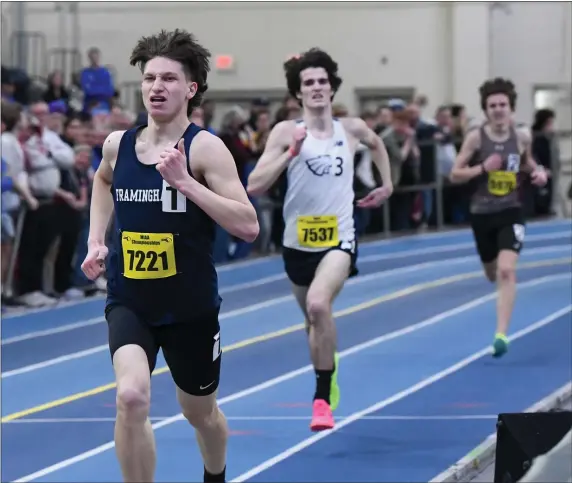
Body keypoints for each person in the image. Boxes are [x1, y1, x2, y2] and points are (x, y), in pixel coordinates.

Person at [81, 29, 259, 483]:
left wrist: (186, 183)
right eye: (149, 78)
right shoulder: (118, 144)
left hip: (189, 307)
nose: (156, 87)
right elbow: (103, 182)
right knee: (132, 398)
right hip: (130, 298)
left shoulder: (205, 148)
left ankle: (215, 475)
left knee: (200, 414)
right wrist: (96, 239)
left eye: (168, 79)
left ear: (191, 88)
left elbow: (247, 225)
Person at [247, 48, 393, 432]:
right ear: (298, 92)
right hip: (296, 244)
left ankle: (321, 398)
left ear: (332, 88)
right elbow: (255, 185)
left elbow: (377, 144)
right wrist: (290, 153)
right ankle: (328, 360)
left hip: (339, 239)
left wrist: (387, 184)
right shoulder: (285, 132)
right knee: (314, 323)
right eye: (308, 83)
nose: (316, 88)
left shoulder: (353, 129)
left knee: (317, 305)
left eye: (322, 81)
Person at [450, 78, 547, 357]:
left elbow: (527, 162)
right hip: (482, 214)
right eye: (492, 105)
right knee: (493, 273)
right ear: (486, 110)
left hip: (511, 210)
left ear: (511, 107)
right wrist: (482, 167)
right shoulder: (476, 138)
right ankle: (493, 274)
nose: (498, 109)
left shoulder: (522, 136)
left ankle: (501, 335)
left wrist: (538, 172)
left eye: (502, 104)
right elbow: (455, 174)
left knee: (507, 270)